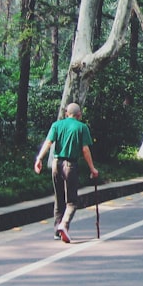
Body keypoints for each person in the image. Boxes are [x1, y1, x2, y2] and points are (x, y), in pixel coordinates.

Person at [34, 103, 99, 243]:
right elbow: (85, 150)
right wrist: (92, 168)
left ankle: (57, 231)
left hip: (56, 164)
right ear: (79, 115)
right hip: (70, 165)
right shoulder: (82, 127)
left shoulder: (57, 125)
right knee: (72, 202)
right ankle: (64, 224)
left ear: (66, 113)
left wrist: (39, 158)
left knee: (59, 199)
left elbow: (48, 142)